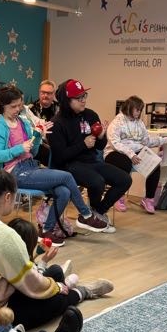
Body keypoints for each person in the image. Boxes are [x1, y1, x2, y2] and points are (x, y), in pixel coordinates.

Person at [0, 166, 113, 329]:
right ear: (7, 197)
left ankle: (63, 282)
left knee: (53, 275)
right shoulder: (2, 235)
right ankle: (81, 292)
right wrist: (57, 287)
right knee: (52, 301)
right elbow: (31, 283)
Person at [0, 85, 110, 244]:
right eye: (13, 106)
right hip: (13, 172)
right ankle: (86, 215)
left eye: (20, 105)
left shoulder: (23, 122)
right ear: (3, 106)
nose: (18, 109)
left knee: (64, 191)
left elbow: (33, 152)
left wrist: (38, 137)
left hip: (30, 166)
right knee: (66, 176)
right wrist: (19, 148)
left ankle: (46, 230)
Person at [49, 79, 132, 229]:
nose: (83, 100)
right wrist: (83, 144)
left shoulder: (90, 115)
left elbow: (99, 146)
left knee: (124, 179)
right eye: (79, 97)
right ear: (66, 100)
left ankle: (96, 212)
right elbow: (59, 157)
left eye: (84, 95)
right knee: (97, 181)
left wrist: (101, 137)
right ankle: (92, 215)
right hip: (69, 166)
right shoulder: (57, 123)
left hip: (91, 162)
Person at [102, 95, 167, 214]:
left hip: (135, 152)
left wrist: (164, 140)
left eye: (140, 110)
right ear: (129, 108)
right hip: (114, 152)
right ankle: (118, 197)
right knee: (125, 163)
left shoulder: (139, 123)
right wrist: (131, 154)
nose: (139, 112)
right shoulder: (117, 122)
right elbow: (114, 143)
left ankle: (148, 199)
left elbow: (146, 141)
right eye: (137, 109)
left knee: (155, 164)